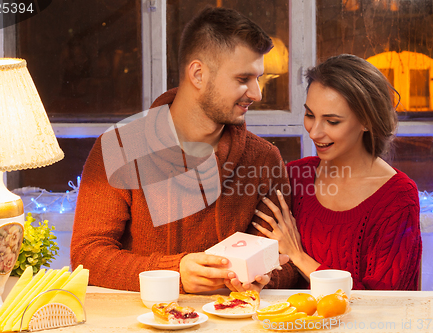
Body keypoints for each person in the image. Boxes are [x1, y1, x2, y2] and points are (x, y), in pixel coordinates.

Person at [70, 6, 298, 293]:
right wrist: (174, 272)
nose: (257, 94)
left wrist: (265, 277)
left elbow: (287, 263)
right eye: (243, 79)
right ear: (198, 74)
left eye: (258, 78)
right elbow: (86, 256)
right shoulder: (118, 148)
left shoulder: (265, 159)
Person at [253, 54, 422, 290]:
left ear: (367, 121)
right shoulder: (294, 176)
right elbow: (274, 263)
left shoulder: (398, 198)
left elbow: (385, 302)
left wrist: (298, 255)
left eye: (332, 122)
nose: (314, 132)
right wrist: (260, 280)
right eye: (310, 115)